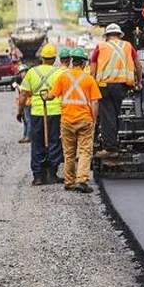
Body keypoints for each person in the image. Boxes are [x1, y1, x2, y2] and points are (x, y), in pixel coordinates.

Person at [48, 47, 101, 193]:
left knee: (69, 153)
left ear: (72, 61)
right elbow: (95, 102)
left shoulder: (63, 77)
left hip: (66, 120)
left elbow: (51, 95)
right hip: (84, 120)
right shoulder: (89, 79)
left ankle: (69, 181)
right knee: (84, 151)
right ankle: (82, 181)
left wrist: (45, 96)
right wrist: (94, 120)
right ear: (84, 63)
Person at [89, 23, 141, 158]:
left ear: (107, 36)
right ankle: (117, 141)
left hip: (104, 86)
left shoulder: (101, 46)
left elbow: (93, 67)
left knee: (107, 116)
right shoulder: (128, 46)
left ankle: (111, 148)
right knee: (117, 113)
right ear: (119, 35)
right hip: (122, 86)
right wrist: (139, 82)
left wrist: (92, 84)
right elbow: (138, 65)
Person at [17, 43, 64, 185]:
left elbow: (23, 94)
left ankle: (38, 176)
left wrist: (19, 112)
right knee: (54, 142)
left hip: (37, 112)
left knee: (37, 143)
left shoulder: (32, 72)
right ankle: (52, 174)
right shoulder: (59, 72)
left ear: (42, 57)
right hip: (55, 112)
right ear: (54, 58)